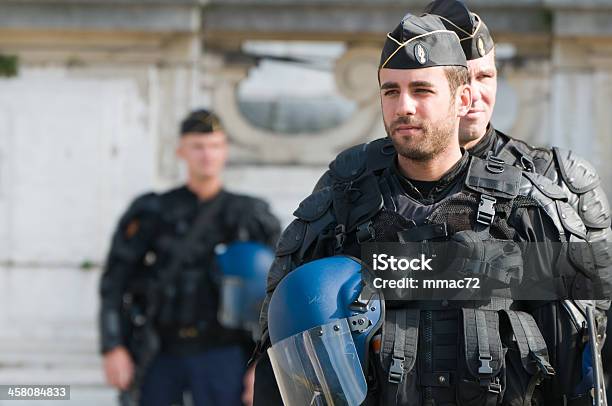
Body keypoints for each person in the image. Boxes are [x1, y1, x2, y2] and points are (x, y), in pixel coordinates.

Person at [253, 11, 609, 406]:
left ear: (462, 99)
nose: (404, 106)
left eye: (422, 90)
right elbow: (285, 350)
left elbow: (578, 368)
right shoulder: (342, 204)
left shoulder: (526, 210)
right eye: (391, 91)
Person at [99, 109, 281, 406]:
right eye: (197, 146)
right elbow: (115, 281)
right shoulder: (153, 211)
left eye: (214, 146)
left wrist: (263, 365)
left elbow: (277, 290)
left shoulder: (249, 215)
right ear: (181, 151)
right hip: (160, 351)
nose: (206, 155)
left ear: (225, 151)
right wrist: (113, 347)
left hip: (223, 353)